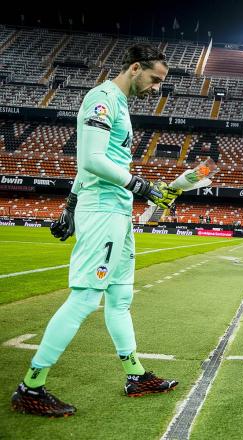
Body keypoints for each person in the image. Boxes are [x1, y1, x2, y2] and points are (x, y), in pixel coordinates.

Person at [11, 43, 180, 417]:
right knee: (86, 297)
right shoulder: (102, 98)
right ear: (135, 68)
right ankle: (31, 387)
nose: (156, 89)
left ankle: (135, 375)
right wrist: (141, 186)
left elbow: (92, 163)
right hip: (104, 208)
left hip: (115, 210)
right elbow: (91, 159)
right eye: (155, 79)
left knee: (119, 298)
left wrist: (70, 206)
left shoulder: (119, 105)